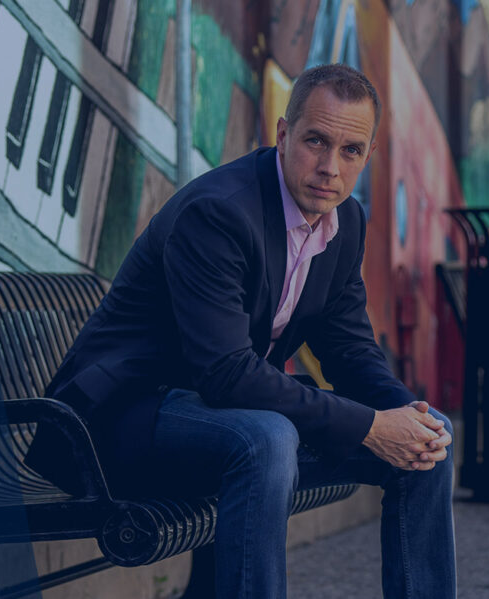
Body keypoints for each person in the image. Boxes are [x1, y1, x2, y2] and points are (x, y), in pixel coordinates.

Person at [25, 63, 456, 598]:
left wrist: (405, 416)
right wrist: (370, 426)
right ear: (283, 134)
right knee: (266, 439)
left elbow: (348, 349)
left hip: (216, 413)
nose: (330, 167)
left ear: (367, 157)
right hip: (118, 424)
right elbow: (226, 373)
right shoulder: (219, 213)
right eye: (315, 141)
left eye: (350, 150)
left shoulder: (344, 222)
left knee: (431, 440)